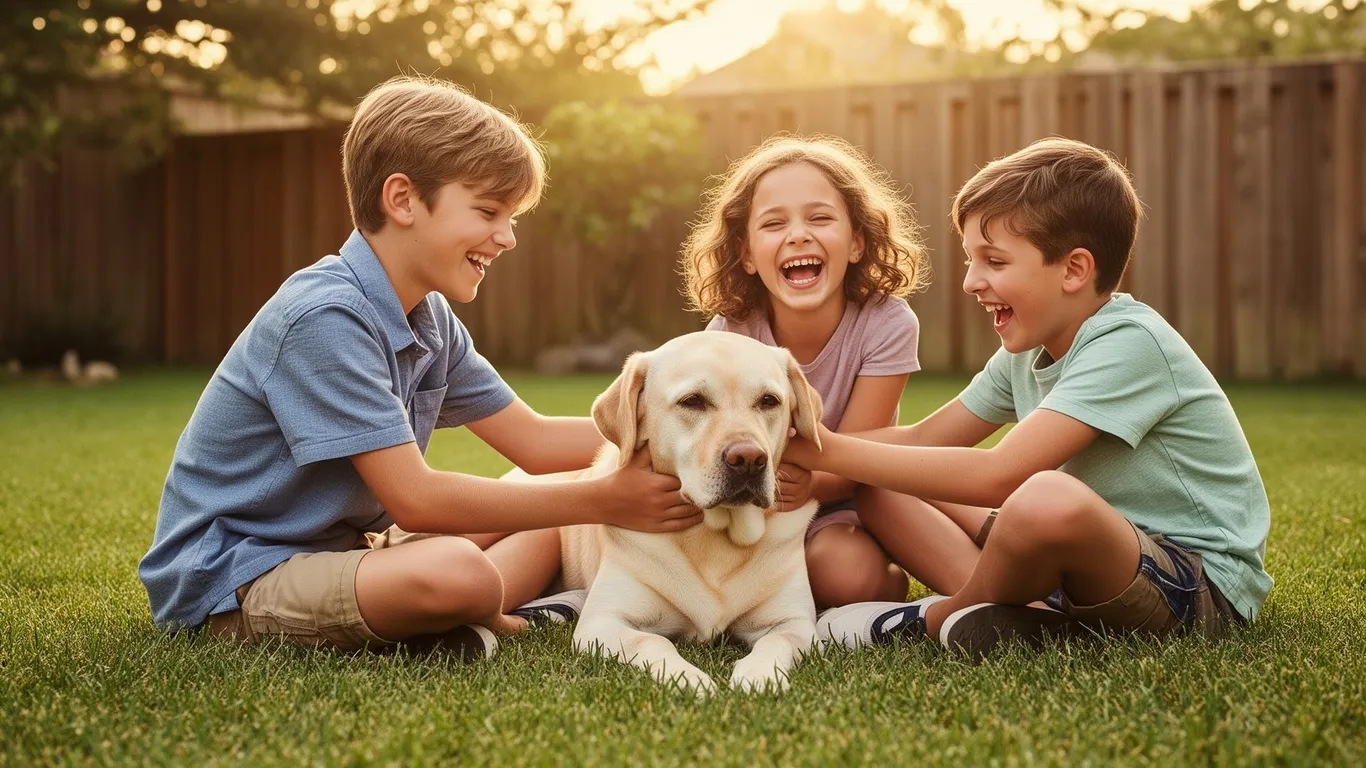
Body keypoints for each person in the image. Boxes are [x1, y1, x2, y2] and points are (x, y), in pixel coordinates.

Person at [139, 76, 701, 660]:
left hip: (340, 550)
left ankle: (483, 619)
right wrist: (604, 498)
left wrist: (688, 431)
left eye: (511, 217)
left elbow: (533, 442)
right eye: (488, 211)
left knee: (548, 500)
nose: (507, 238)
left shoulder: (426, 315)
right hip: (235, 575)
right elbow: (419, 501)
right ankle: (505, 615)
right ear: (403, 199)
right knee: (461, 571)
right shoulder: (324, 316)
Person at [785, 137, 1271, 658]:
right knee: (884, 482)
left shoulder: (1131, 344)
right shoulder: (1027, 349)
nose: (971, 282)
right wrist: (789, 452)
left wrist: (825, 449)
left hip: (1194, 584)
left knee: (1044, 497)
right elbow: (923, 438)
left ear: (1074, 270)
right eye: (971, 260)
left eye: (993, 261)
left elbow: (1002, 474)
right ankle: (1025, 617)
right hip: (1082, 563)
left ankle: (934, 618)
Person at [681, 135, 942, 609]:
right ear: (745, 254)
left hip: (840, 502)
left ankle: (884, 580)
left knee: (844, 579)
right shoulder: (731, 329)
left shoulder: (887, 323)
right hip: (746, 499)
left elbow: (856, 456)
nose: (798, 234)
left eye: (820, 218)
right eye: (774, 223)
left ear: (858, 241)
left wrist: (811, 484)